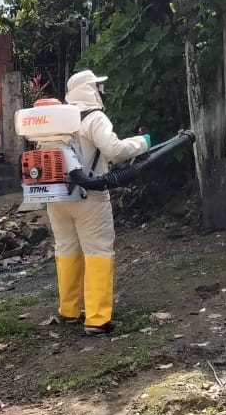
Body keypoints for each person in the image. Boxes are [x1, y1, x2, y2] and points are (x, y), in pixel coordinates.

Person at [48, 70, 150, 335]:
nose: (101, 92)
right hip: (89, 197)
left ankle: (69, 311)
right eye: (98, 87)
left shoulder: (55, 120)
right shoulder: (94, 118)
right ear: (90, 90)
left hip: (56, 198)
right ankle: (96, 318)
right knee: (97, 251)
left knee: (67, 250)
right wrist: (141, 143)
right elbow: (114, 151)